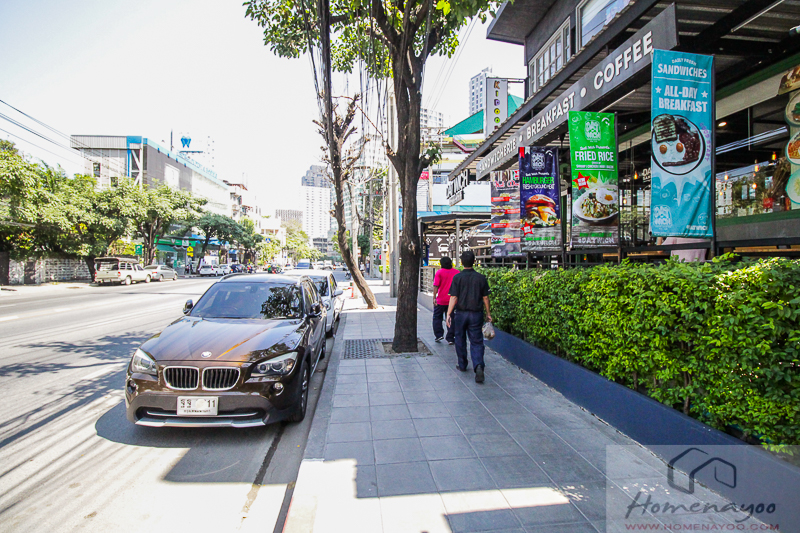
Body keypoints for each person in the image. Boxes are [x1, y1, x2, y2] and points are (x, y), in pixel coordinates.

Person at [446, 250, 492, 383]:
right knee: (476, 341)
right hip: (476, 314)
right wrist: (488, 313)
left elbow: (454, 297)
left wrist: (448, 313)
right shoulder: (481, 278)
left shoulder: (457, 278)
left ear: (461, 262)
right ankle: (478, 365)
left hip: (460, 314)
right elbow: (485, 298)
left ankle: (462, 364)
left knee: (459, 339)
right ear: (474, 261)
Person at [432, 257, 459, 344]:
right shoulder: (457, 272)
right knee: (451, 318)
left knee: (437, 317)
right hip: (453, 300)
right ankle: (450, 338)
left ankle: (439, 335)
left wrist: (434, 297)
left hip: (441, 300)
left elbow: (436, 286)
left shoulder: (439, 272)